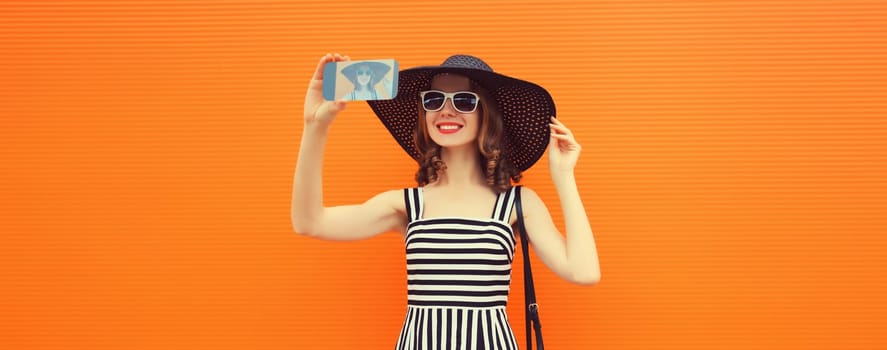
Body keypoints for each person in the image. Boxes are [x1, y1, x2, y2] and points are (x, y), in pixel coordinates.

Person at [293, 53, 601, 350]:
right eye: (434, 100)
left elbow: (584, 272)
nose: (446, 110)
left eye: (464, 101)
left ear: (487, 115)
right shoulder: (407, 205)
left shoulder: (517, 204)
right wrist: (315, 127)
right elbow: (309, 222)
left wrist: (563, 176)